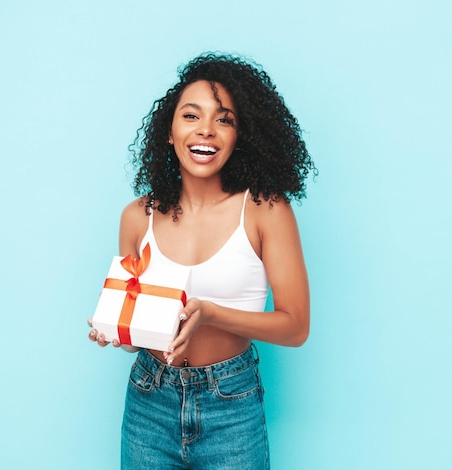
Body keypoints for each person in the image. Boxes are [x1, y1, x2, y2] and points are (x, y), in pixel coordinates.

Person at [88, 52, 316, 469]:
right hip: (148, 399)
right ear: (169, 133)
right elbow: (139, 331)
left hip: (231, 404)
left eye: (224, 119)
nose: (206, 130)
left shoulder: (266, 210)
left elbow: (296, 326)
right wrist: (115, 331)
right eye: (191, 116)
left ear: (239, 136)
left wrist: (211, 313)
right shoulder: (137, 217)